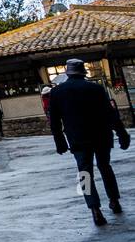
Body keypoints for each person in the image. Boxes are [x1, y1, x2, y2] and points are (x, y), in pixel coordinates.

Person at [49, 58, 131, 226]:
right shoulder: (96, 89)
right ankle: (115, 201)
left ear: (67, 73)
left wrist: (60, 142)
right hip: (102, 136)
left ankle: (95, 210)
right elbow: (111, 114)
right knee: (105, 167)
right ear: (83, 73)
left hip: (77, 138)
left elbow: (55, 122)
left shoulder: (57, 92)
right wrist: (122, 133)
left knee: (84, 173)